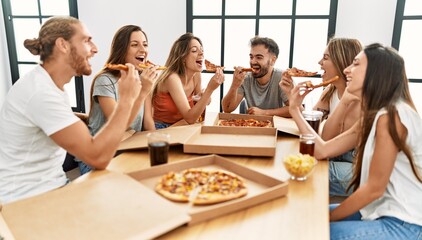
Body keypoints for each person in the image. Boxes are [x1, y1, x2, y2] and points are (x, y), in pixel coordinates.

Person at [0, 16, 144, 204]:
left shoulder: (51, 87)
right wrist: (127, 98)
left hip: (54, 186)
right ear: (63, 45)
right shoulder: (41, 92)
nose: (95, 48)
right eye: (86, 40)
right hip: (25, 201)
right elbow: (97, 157)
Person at [289, 43, 422, 239]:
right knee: (305, 216)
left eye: (356, 64)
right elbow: (323, 150)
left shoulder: (392, 116)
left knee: (315, 231)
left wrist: (329, 217)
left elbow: (373, 189)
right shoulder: (374, 116)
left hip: (405, 221)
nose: (346, 70)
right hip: (377, 211)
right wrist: (294, 110)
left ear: (376, 73)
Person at [282, 38, 363, 197]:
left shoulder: (358, 100)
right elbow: (311, 129)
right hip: (336, 152)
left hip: (357, 165)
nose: (319, 62)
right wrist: (293, 99)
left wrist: (295, 110)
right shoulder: (331, 91)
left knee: (308, 170)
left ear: (342, 62)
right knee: (296, 158)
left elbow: (323, 140)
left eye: (326, 58)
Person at [77, 25, 158, 175]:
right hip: (99, 155)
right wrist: (143, 91)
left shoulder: (143, 79)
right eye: (134, 45)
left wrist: (158, 146)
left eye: (145, 44)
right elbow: (119, 125)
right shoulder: (105, 81)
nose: (143, 49)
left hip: (128, 148)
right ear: (121, 49)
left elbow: (148, 123)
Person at [152, 32, 223, 129]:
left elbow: (200, 109)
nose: (201, 53)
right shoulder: (172, 78)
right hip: (162, 128)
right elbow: (190, 118)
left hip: (182, 125)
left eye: (202, 50)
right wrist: (210, 89)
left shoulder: (196, 75)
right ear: (183, 57)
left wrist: (204, 97)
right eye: (194, 51)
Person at [222, 36, 290, 117]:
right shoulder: (246, 78)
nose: (252, 61)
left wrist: (264, 113)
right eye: (251, 57)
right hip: (253, 126)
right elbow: (227, 109)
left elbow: (298, 109)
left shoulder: (282, 78)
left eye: (259, 57)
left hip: (277, 127)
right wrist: (234, 85)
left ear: (273, 60)